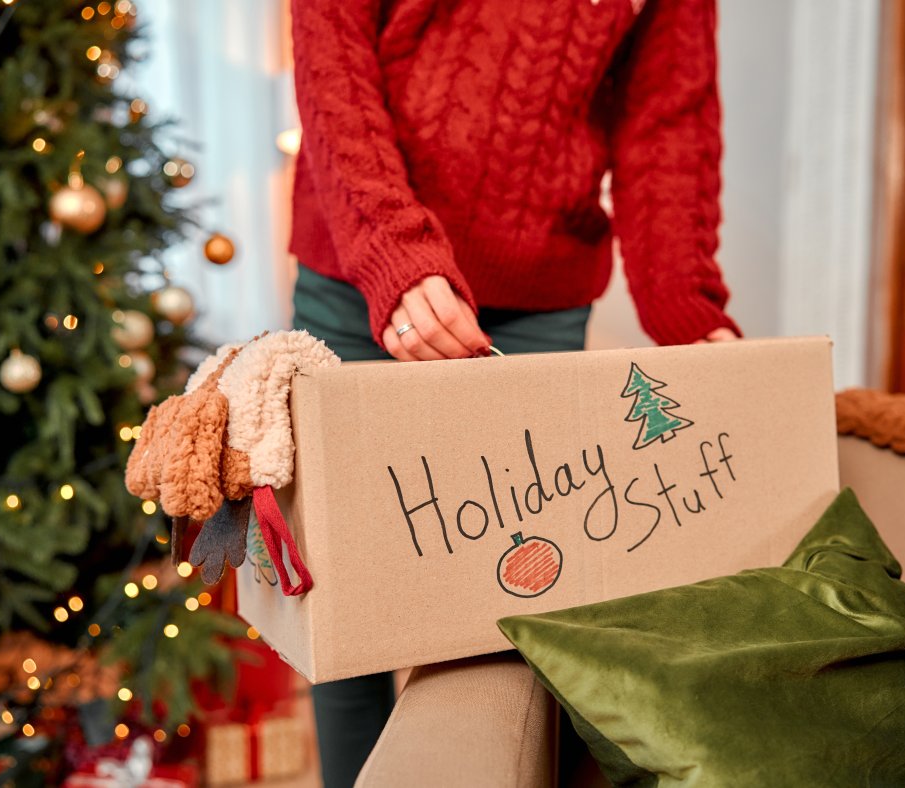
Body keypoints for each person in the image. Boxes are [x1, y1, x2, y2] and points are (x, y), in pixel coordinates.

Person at [287, 0, 739, 783]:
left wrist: (689, 313)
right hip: (359, 280)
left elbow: (666, 120)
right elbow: (333, 53)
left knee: (518, 614)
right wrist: (393, 253)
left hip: (539, 297)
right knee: (348, 609)